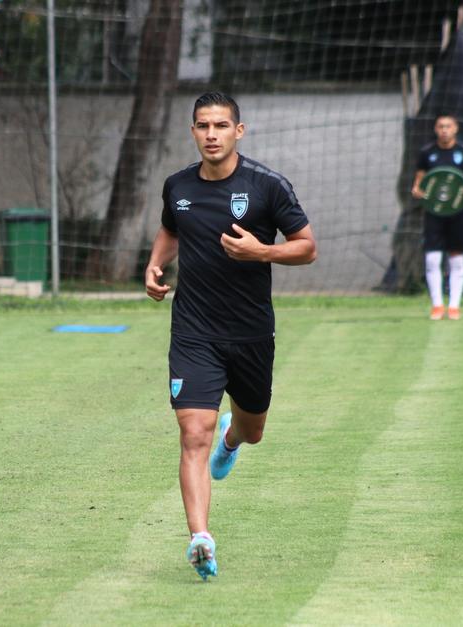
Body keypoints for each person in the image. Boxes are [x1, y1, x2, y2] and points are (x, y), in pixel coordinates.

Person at [145, 92, 316, 581]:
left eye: (221, 125)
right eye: (203, 126)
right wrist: (154, 266)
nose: (212, 134)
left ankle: (232, 437)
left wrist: (262, 252)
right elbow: (170, 230)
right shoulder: (177, 186)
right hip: (194, 332)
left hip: (250, 334)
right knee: (190, 433)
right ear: (193, 132)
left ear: (239, 131)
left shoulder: (267, 187)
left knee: (253, 430)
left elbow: (306, 248)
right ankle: (201, 537)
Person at [411, 113, 463, 320]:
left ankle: (454, 306)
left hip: (457, 212)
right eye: (440, 126)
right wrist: (417, 191)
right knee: (433, 259)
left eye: (448, 126)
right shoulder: (427, 153)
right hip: (434, 213)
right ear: (435, 129)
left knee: (456, 258)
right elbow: (419, 183)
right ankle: (437, 305)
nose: (444, 130)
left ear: (455, 128)